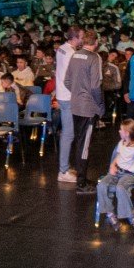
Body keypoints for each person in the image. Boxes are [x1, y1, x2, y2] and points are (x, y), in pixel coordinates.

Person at [65, 30, 105, 192]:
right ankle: (81, 183)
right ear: (95, 42)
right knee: (85, 144)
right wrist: (100, 104)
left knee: (80, 141)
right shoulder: (94, 58)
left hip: (75, 105)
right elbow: (96, 86)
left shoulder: (75, 55)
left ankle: (81, 177)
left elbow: (67, 81)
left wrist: (77, 92)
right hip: (88, 107)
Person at [96, 119, 134, 232]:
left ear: (127, 133)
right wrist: (112, 165)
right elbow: (118, 156)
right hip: (118, 172)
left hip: (129, 174)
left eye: (121, 130)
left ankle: (132, 217)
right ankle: (110, 214)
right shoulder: (121, 143)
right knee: (101, 185)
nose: (119, 131)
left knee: (120, 188)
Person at [54, 27, 82, 183]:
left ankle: (65, 166)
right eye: (81, 37)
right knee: (68, 134)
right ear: (75, 38)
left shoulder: (61, 49)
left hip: (62, 95)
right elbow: (71, 78)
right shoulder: (71, 53)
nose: (82, 39)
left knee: (67, 133)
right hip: (69, 97)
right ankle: (63, 171)